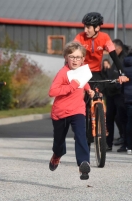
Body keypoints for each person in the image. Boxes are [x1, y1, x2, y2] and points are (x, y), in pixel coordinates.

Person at [74, 12, 127, 144]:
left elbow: (114, 56)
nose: (85, 30)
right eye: (85, 27)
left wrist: (122, 73)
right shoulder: (80, 37)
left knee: (98, 95)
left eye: (88, 27)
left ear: (97, 28)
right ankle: (81, 125)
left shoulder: (104, 37)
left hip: (97, 73)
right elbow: (71, 53)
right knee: (80, 100)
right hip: (82, 71)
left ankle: (100, 122)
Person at [48, 41, 94, 180]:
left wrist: (88, 90)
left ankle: (83, 164)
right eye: (72, 57)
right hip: (60, 112)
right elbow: (52, 92)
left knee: (81, 135)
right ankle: (57, 154)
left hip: (77, 110)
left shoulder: (82, 70)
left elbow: (83, 80)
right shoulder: (63, 73)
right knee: (58, 142)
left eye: (78, 57)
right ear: (66, 58)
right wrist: (71, 86)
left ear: (83, 59)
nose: (75, 60)